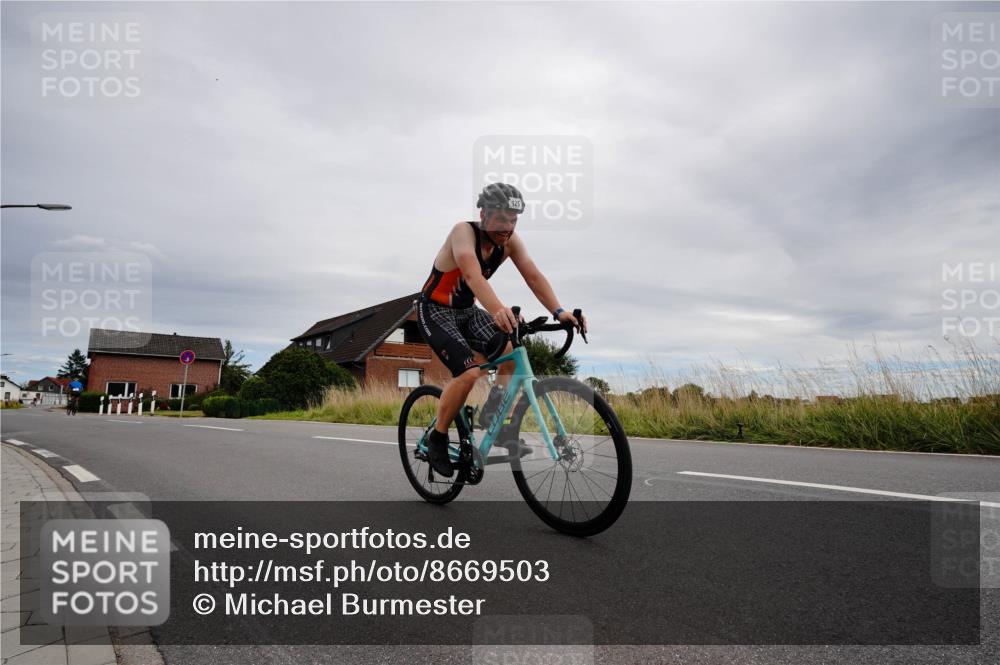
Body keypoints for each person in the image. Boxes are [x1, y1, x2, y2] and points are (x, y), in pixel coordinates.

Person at [416, 182, 587, 477]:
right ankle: (438, 437)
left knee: (509, 356)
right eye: (501, 219)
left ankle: (495, 420)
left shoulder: (510, 241)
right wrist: (498, 310)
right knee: (469, 372)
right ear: (483, 214)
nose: (507, 227)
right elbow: (471, 275)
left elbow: (533, 275)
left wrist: (559, 311)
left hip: (467, 311)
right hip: (435, 310)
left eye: (513, 220)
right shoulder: (463, 232)